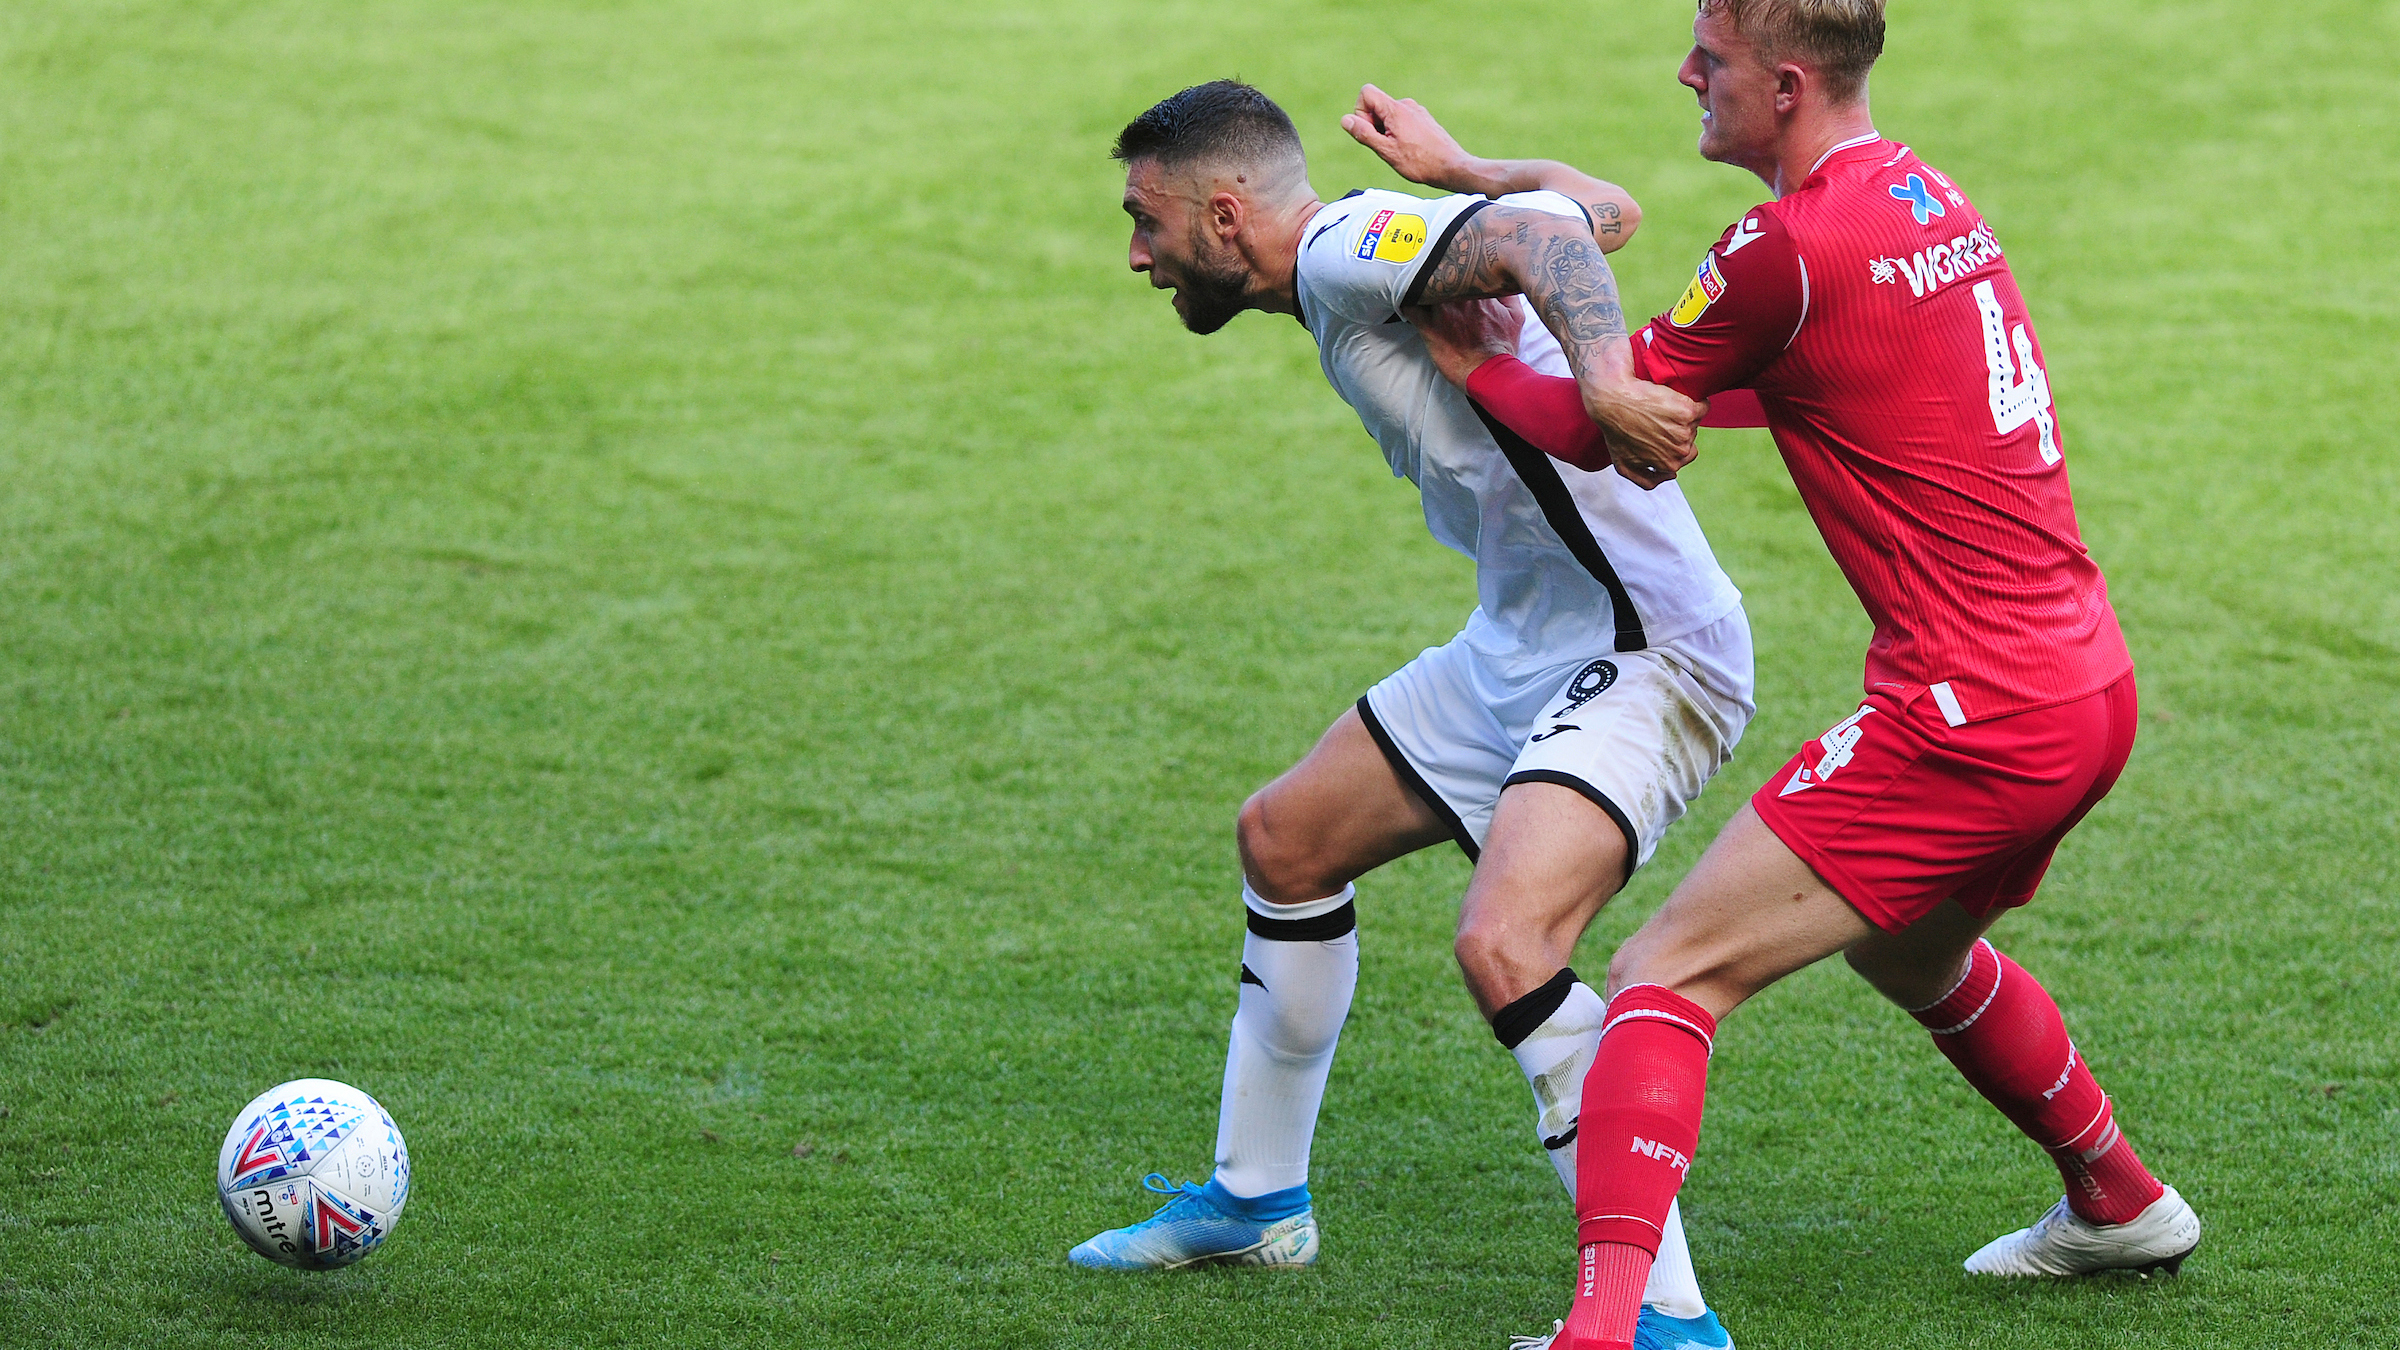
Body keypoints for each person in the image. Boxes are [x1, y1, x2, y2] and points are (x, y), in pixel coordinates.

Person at [1380, 4, 2200, 1345]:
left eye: (1712, 57)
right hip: (2083, 682)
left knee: (1662, 971)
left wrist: (1468, 353)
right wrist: (1482, 182)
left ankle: (1613, 1330)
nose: (1686, 74)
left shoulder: (1784, 245)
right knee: (1909, 939)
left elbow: (1616, 427)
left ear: (1787, 83)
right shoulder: (1921, 193)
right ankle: (2119, 1198)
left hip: (1969, 711)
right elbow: (1771, 377)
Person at [1071, 78, 1749, 1349]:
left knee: (1509, 944)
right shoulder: (1367, 256)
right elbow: (1603, 207)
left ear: (1226, 218)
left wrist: (1603, 378)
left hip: (1645, 649)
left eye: (1147, 223)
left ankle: (1665, 1322)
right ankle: (1256, 1198)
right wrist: (1466, 167)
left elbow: (1552, 240)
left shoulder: (1334, 249)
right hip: (1526, 640)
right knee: (1286, 842)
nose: (1136, 255)